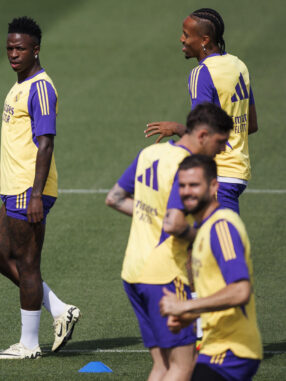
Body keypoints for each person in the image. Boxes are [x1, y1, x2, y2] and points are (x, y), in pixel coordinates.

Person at [105, 103, 232, 380]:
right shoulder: (189, 168)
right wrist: (201, 235)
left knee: (163, 365)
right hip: (164, 276)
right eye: (220, 142)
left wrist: (153, 214)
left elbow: (114, 198)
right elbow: (175, 224)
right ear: (202, 136)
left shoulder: (149, 153)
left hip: (133, 271)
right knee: (183, 366)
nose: (222, 150)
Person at [0, 16, 80, 360]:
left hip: (30, 189)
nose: (13, 53)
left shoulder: (40, 87)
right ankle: (58, 308)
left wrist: (36, 193)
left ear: (35, 50)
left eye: (20, 48)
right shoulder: (19, 85)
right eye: (9, 47)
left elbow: (45, 143)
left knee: (27, 264)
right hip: (14, 186)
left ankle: (28, 344)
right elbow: (17, 141)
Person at [145, 8, 258, 214]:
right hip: (238, 171)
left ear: (204, 39)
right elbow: (251, 125)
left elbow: (200, 135)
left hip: (218, 175)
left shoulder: (201, 74)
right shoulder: (238, 65)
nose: (182, 39)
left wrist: (176, 128)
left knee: (224, 243)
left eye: (186, 35)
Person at [160, 154, 262, 381]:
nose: (187, 191)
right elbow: (218, 292)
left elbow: (240, 291)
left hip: (232, 351)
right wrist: (189, 315)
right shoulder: (203, 228)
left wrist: (186, 305)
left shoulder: (221, 226)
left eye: (194, 185)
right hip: (213, 348)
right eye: (182, 185)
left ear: (214, 185)